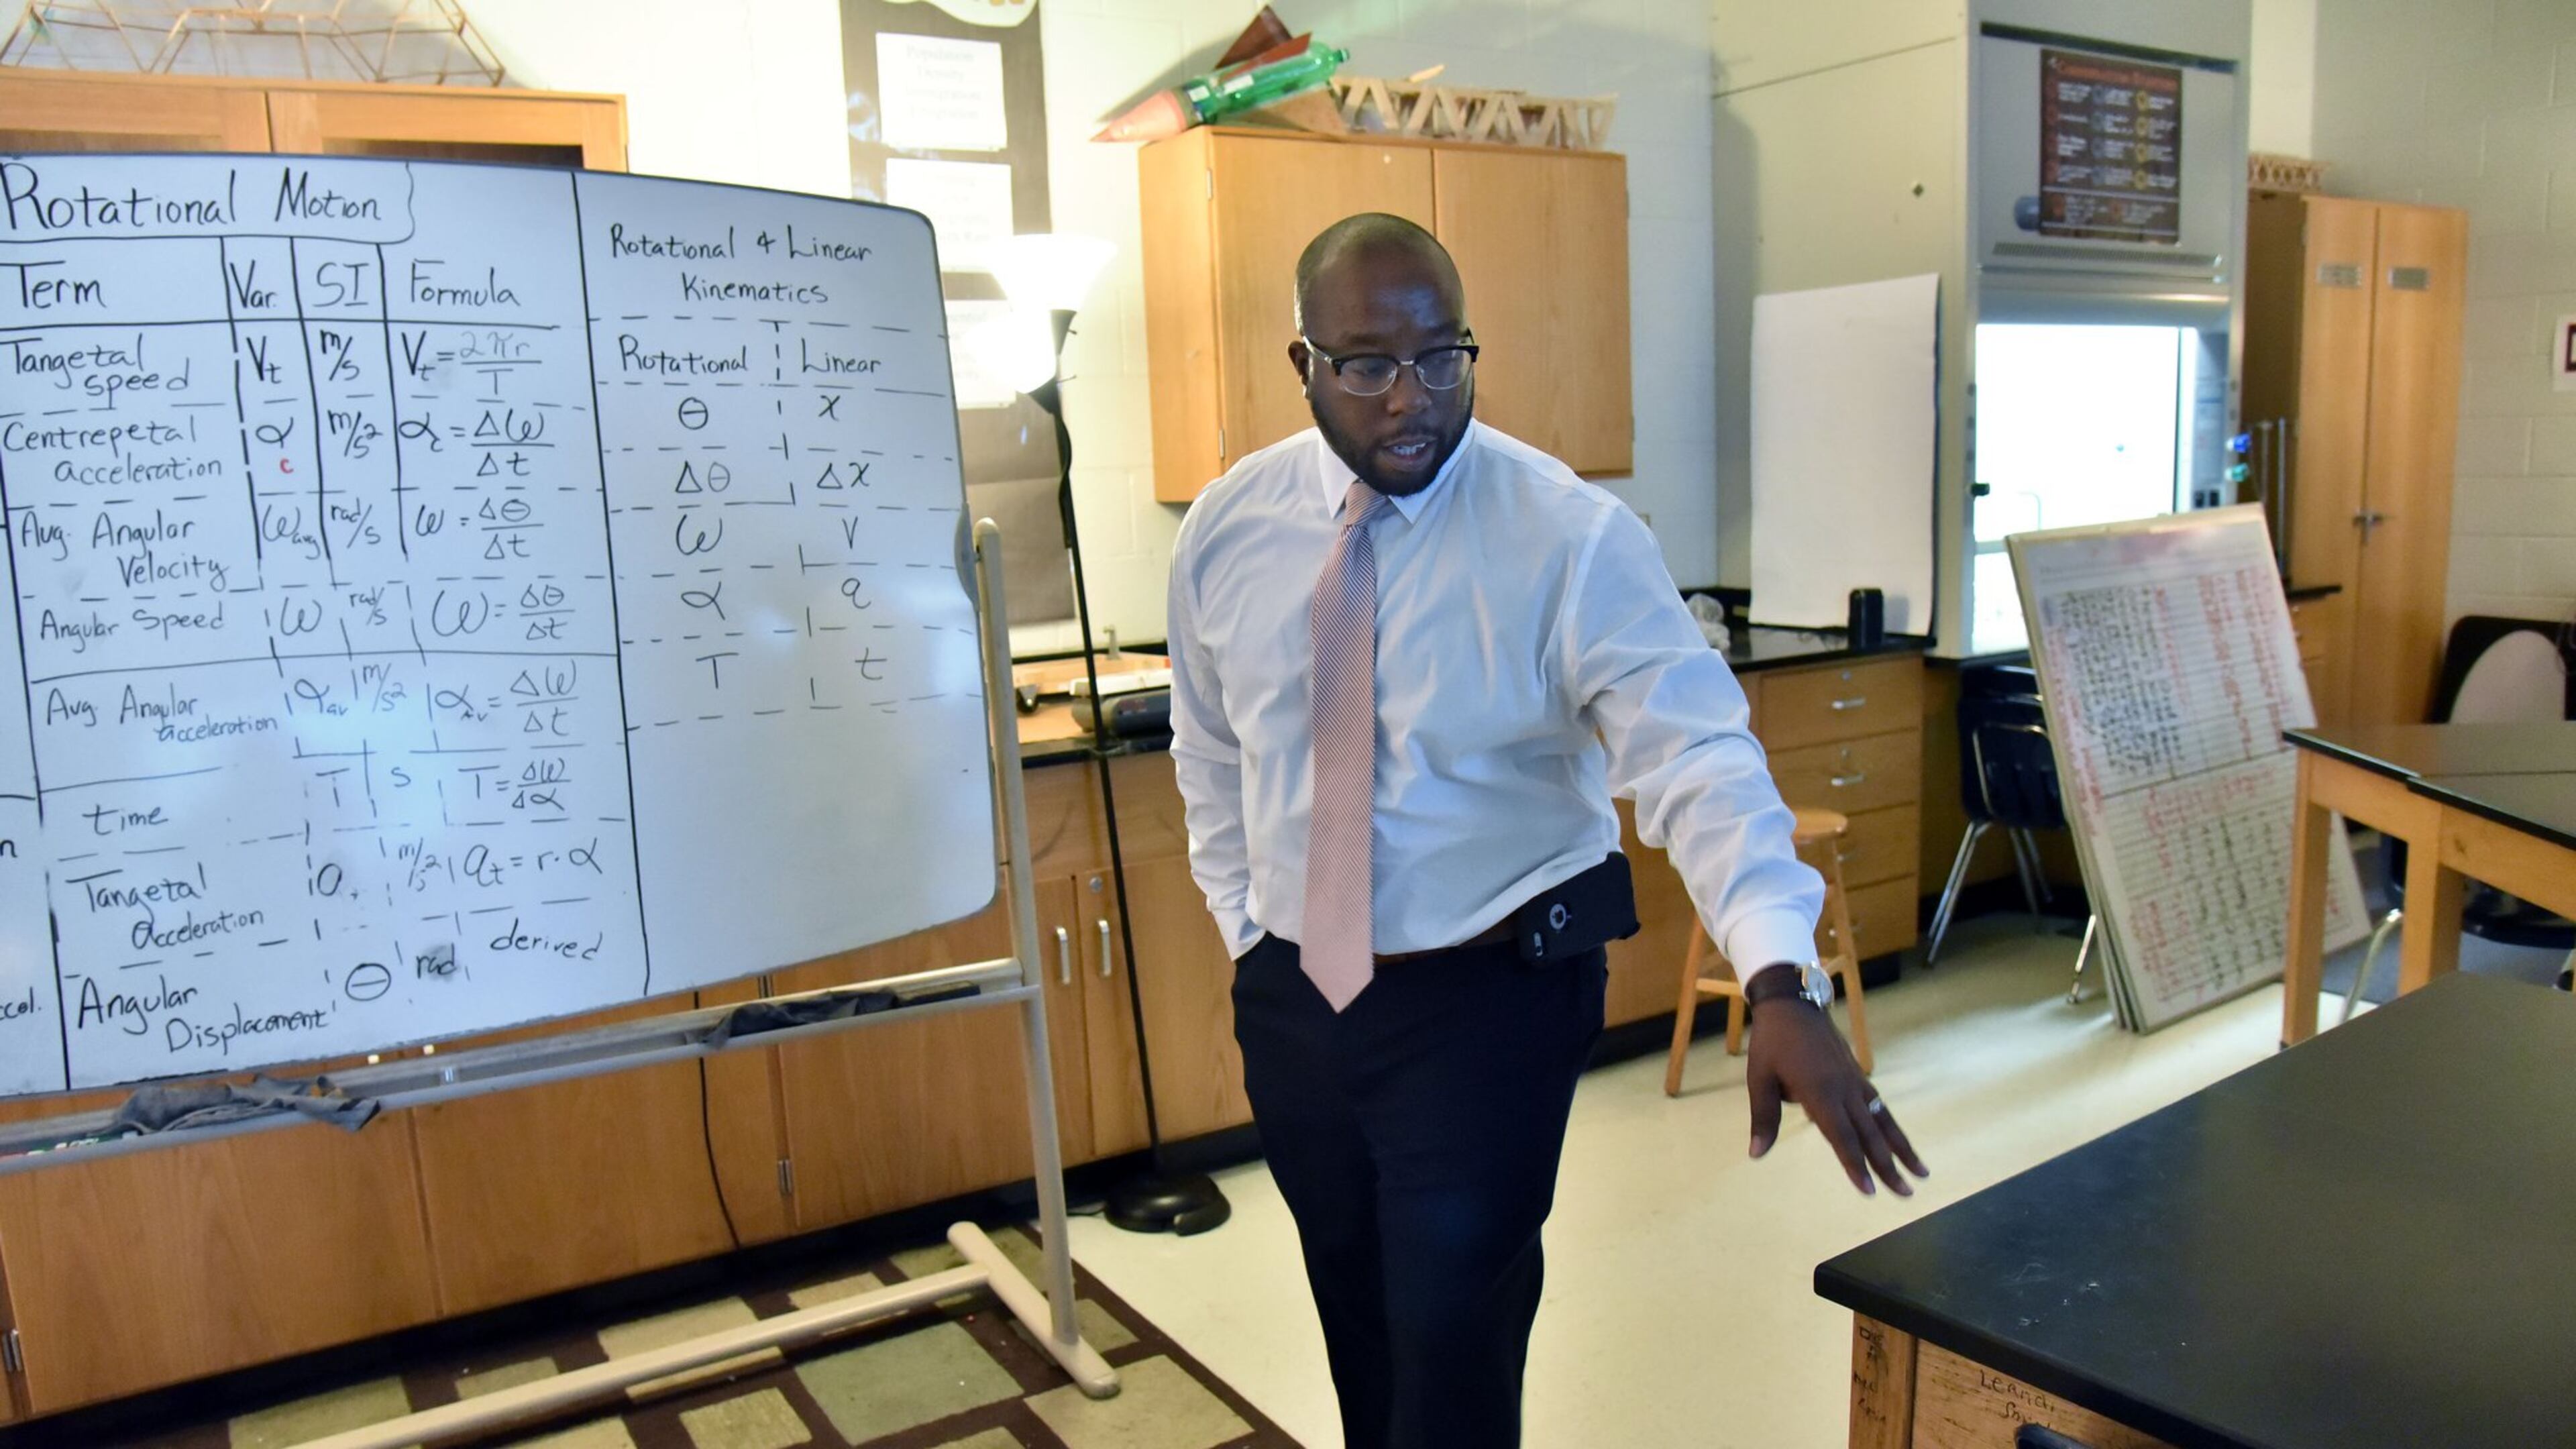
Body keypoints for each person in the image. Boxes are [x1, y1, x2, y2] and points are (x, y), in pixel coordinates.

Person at [1163, 213, 1929, 1449]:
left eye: (1442, 358)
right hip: (1300, 996)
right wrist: (1247, 931)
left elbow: (1696, 757)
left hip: (1489, 998)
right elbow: (1209, 750)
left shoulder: (1569, 538)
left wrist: (1780, 977)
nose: (1411, 398)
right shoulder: (1228, 529)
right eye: (1367, 365)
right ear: (1301, 363)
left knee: (1453, 1333)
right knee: (1355, 1305)